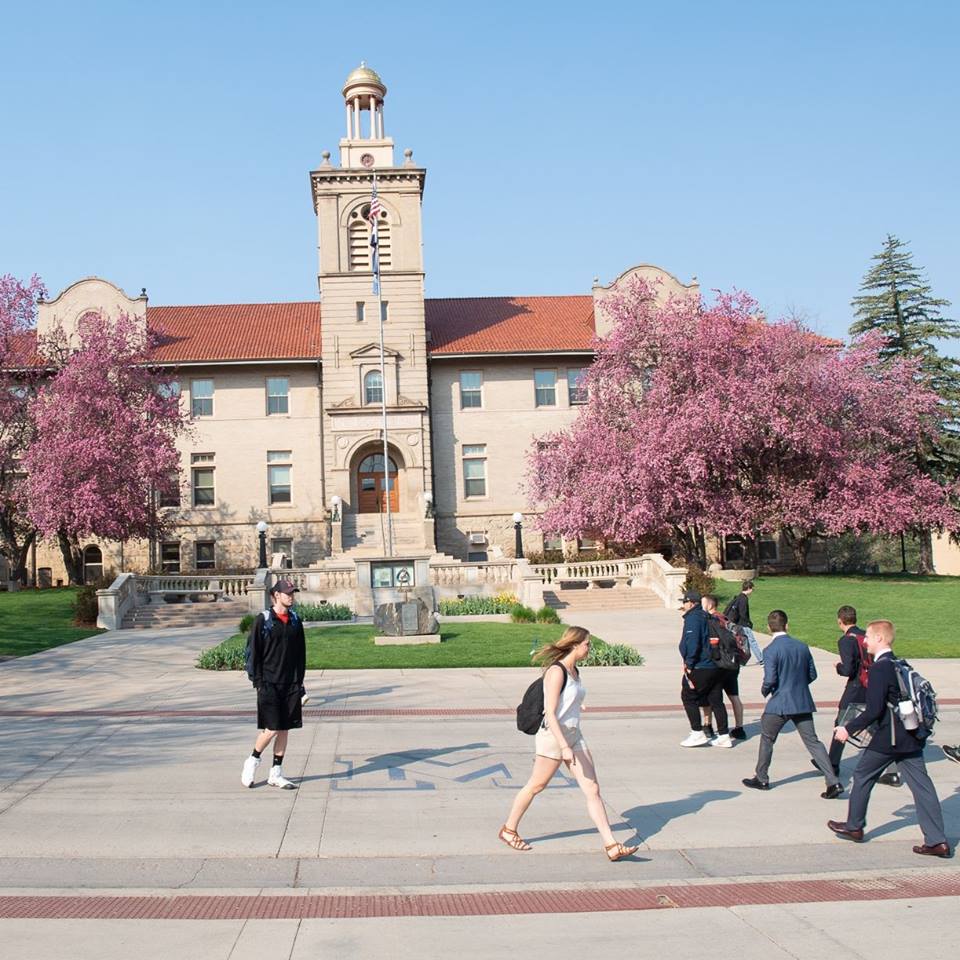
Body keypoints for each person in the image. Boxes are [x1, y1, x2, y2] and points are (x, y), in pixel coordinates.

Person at [498, 626, 639, 862]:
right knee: (536, 785)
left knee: (592, 789)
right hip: (554, 738)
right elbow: (550, 713)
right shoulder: (557, 671)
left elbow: (568, 699)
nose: (589, 648)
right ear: (575, 644)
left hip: (574, 735)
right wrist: (563, 746)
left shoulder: (575, 670)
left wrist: (577, 706)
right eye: (587, 644)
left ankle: (611, 845)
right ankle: (509, 830)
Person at [828, 620, 950, 858]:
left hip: (889, 738)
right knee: (922, 787)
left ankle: (854, 826)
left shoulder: (880, 668)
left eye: (870, 637)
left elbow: (873, 709)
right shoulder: (898, 663)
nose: (865, 641)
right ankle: (937, 841)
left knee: (862, 775)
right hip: (910, 735)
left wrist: (847, 729)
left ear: (881, 639)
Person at [742, 609, 843, 798]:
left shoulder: (771, 650)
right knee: (813, 741)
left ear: (769, 628)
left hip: (780, 702)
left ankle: (762, 777)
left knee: (767, 738)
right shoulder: (802, 647)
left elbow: (771, 678)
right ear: (787, 625)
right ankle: (833, 781)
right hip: (802, 700)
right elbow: (812, 674)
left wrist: (766, 690)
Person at [240, 579, 306, 790]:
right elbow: (254, 653)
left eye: (292, 593)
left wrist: (300, 683)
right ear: (276, 595)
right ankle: (252, 760)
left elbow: (300, 655)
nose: (291, 596)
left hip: (290, 684)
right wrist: (258, 682)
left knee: (285, 729)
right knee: (272, 729)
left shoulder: (295, 620)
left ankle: (276, 773)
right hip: (269, 683)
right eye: (287, 593)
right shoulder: (264, 620)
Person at [825, 606, 901, 787]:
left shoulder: (846, 640)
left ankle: (832, 764)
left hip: (856, 687)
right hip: (873, 685)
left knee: (841, 723)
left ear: (840, 621)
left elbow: (848, 669)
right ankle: (892, 772)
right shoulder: (864, 636)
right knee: (875, 726)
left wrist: (838, 667)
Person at [678, 590, 731, 748]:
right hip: (714, 664)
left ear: (691, 603)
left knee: (688, 696)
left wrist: (689, 663)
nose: (683, 605)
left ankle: (697, 732)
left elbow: (693, 642)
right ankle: (723, 735)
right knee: (716, 699)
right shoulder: (706, 615)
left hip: (700, 665)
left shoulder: (693, 618)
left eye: (684, 602)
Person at [701, 595, 746, 740]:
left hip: (719, 663)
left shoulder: (710, 620)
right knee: (734, 696)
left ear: (709, 605)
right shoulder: (726, 620)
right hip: (733, 663)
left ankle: (707, 725)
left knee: (712, 696)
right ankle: (739, 728)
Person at [725, 580, 763, 665]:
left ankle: (741, 661)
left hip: (737, 624)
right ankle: (761, 659)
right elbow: (743, 613)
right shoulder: (743, 599)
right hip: (743, 624)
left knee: (742, 642)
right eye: (752, 589)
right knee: (751, 641)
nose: (752, 591)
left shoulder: (738, 597)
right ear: (749, 588)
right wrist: (749, 623)